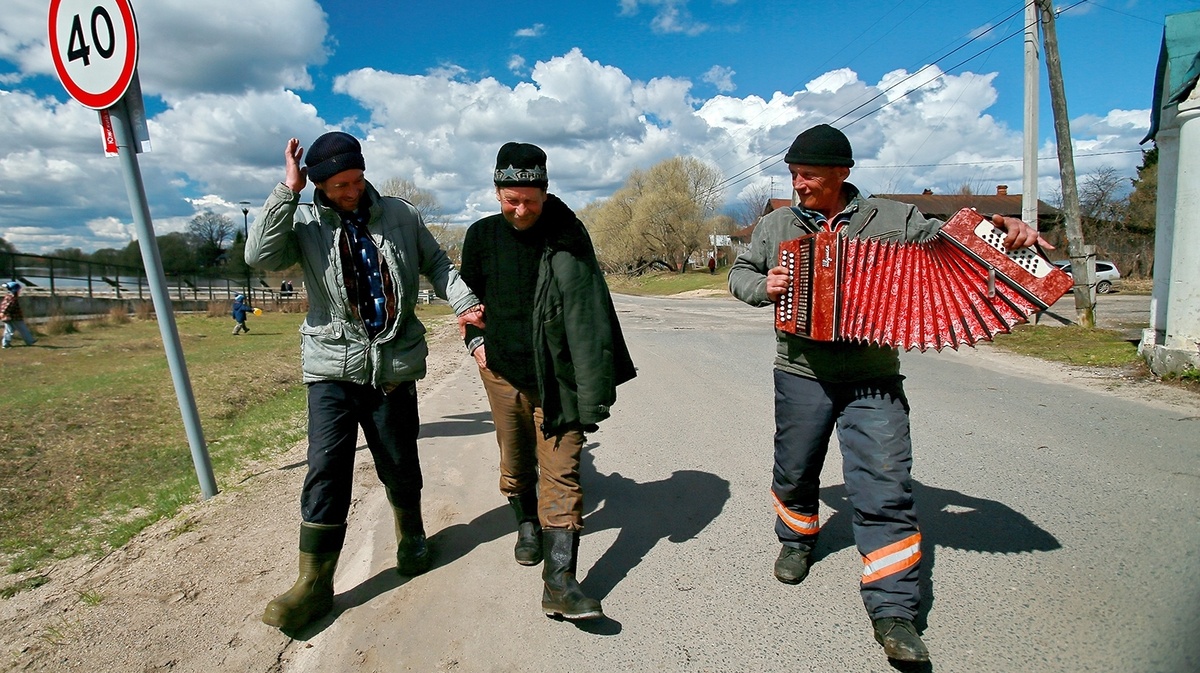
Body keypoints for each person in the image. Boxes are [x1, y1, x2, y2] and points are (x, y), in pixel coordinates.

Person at [727, 124, 1047, 663]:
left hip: (874, 377)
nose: (798, 183)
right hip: (800, 372)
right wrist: (765, 288)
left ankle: (894, 612)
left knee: (886, 487)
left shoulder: (892, 219)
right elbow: (739, 273)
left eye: (808, 174)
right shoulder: (777, 224)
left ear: (842, 174)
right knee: (797, 468)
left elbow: (955, 242)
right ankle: (797, 539)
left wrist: (1002, 228)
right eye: (793, 174)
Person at [245, 131, 484, 632]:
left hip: (392, 364)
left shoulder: (399, 214)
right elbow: (259, 257)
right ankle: (314, 584)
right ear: (319, 183)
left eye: (356, 180)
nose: (352, 191)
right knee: (326, 467)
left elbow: (437, 264)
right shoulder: (304, 219)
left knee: (398, 458)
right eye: (340, 185)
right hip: (331, 366)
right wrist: (286, 191)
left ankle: (411, 536)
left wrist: (464, 303)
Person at [459, 142, 636, 621]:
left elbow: (590, 307)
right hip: (501, 373)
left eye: (530, 201)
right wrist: (475, 344)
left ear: (545, 192)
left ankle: (559, 582)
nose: (520, 211)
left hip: (559, 378)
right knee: (516, 462)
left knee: (562, 470)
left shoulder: (567, 238)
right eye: (511, 200)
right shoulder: (480, 236)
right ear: (497, 192)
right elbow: (468, 300)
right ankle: (527, 525)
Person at [1, 282, 37, 348]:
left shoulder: (7, 297)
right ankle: (30, 341)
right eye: (18, 290)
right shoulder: (13, 298)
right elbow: (8, 307)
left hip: (8, 317)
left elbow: (4, 306)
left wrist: (3, 314)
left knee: (8, 330)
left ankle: (5, 343)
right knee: (23, 329)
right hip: (15, 318)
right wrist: (4, 313)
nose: (19, 291)